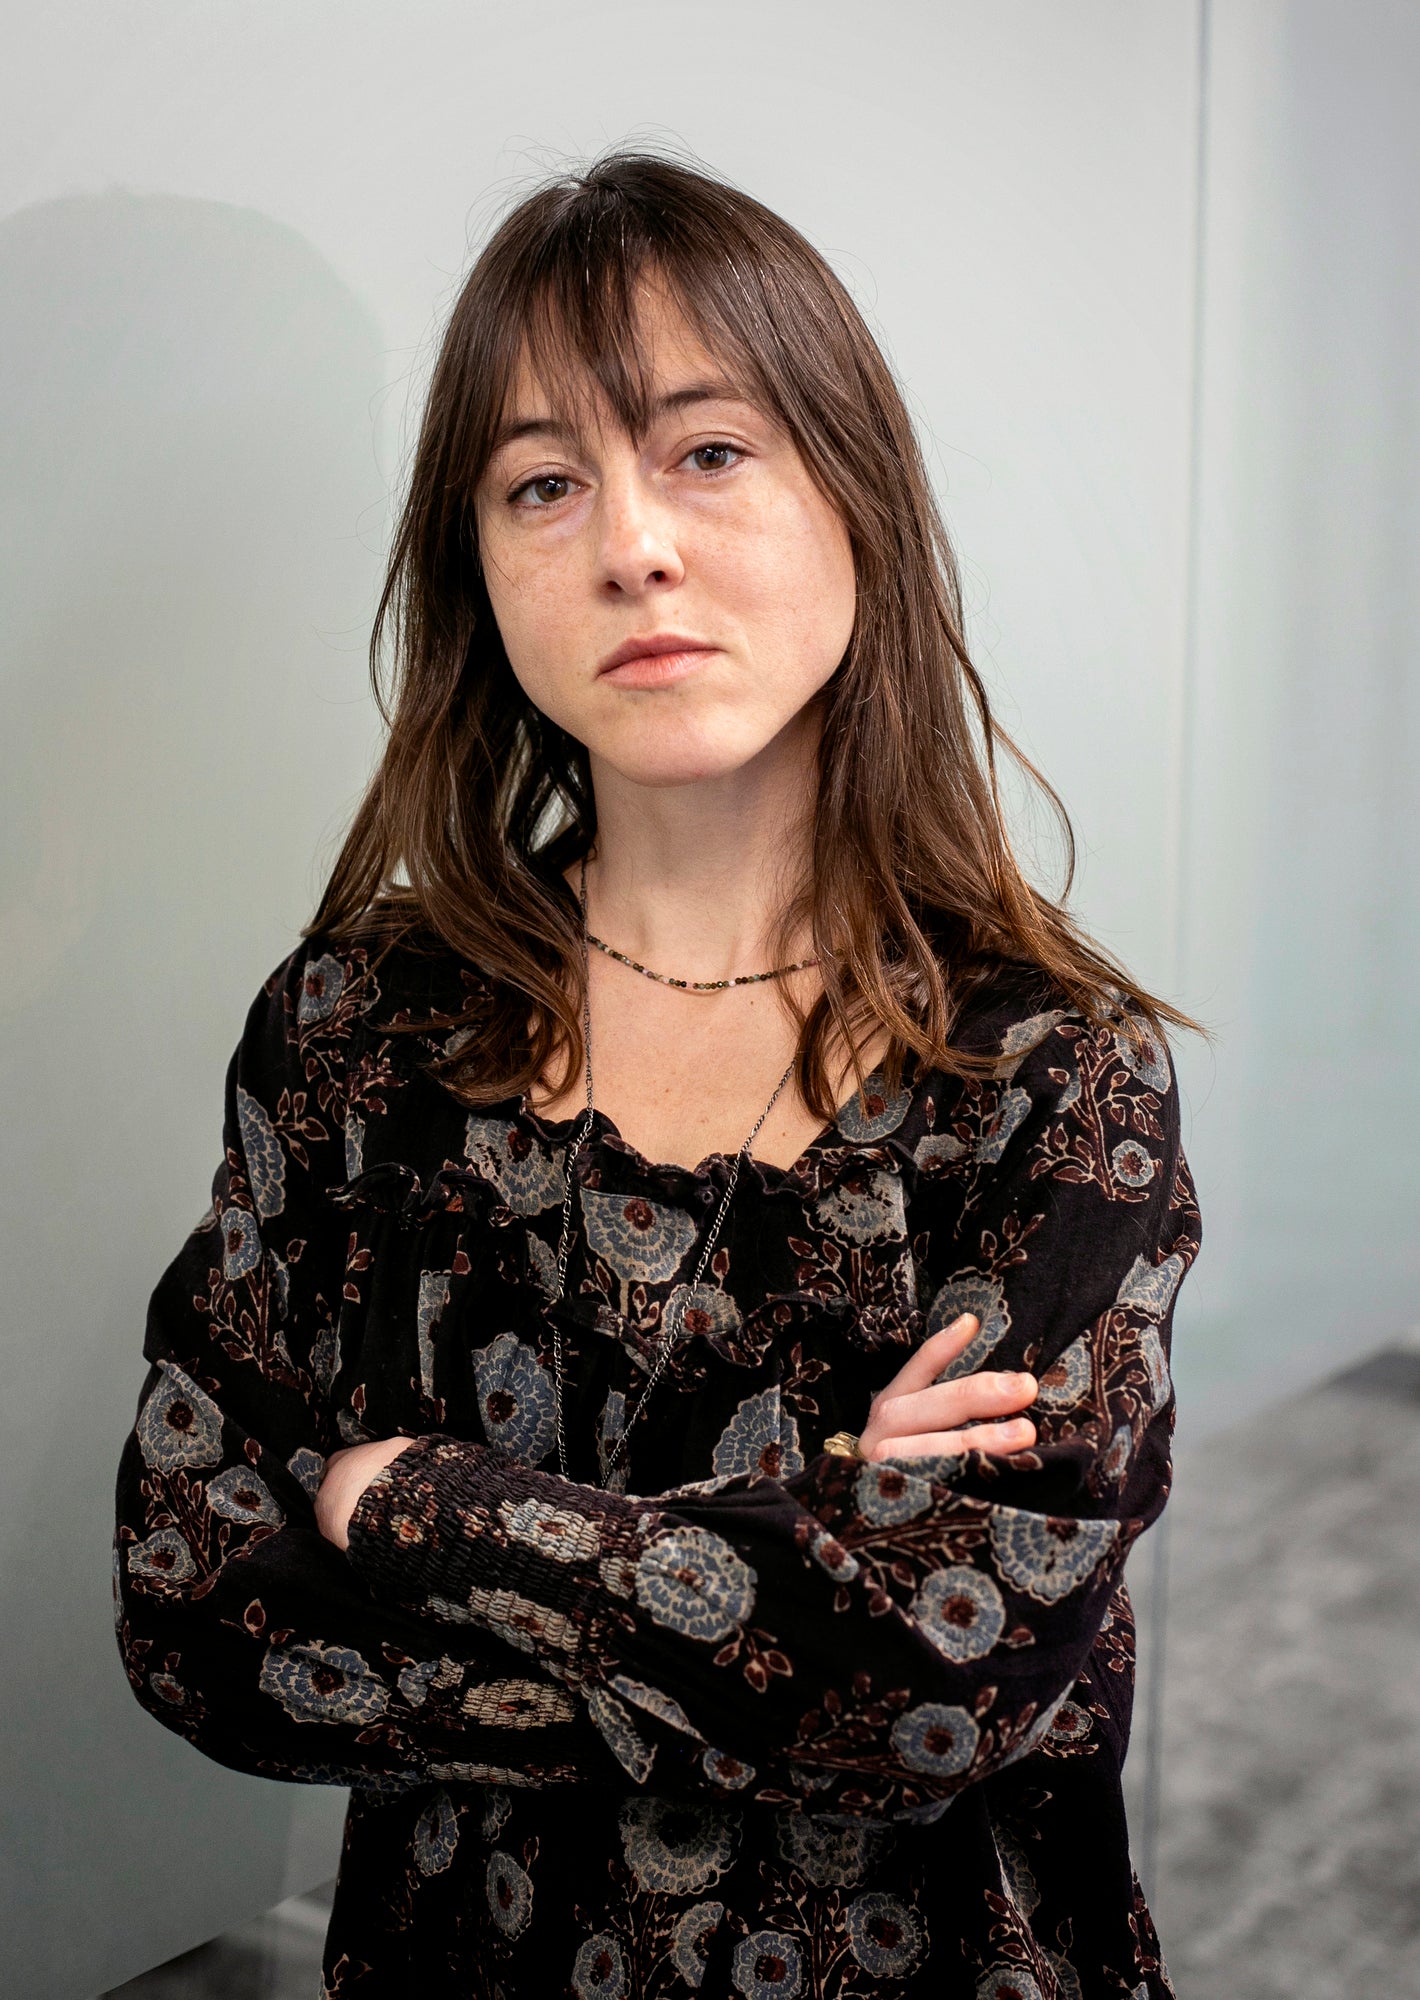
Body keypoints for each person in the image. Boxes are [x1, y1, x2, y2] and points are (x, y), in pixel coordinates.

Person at [113, 150, 1204, 2000]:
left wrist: (403, 1507)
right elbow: (197, 1624)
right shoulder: (356, 1033)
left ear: (855, 494)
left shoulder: (1049, 1076)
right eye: (546, 482)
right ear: (481, 570)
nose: (631, 543)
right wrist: (809, 1542)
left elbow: (953, 1689)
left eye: (708, 450)